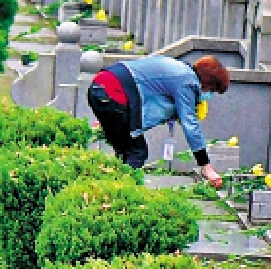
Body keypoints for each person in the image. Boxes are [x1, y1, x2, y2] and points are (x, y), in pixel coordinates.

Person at [86, 54, 231, 188]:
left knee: (125, 151)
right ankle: (119, 192)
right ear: (208, 83)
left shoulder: (179, 68)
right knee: (137, 152)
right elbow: (190, 125)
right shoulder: (187, 81)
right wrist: (207, 167)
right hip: (113, 93)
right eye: (212, 91)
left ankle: (111, 189)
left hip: (99, 87)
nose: (210, 95)